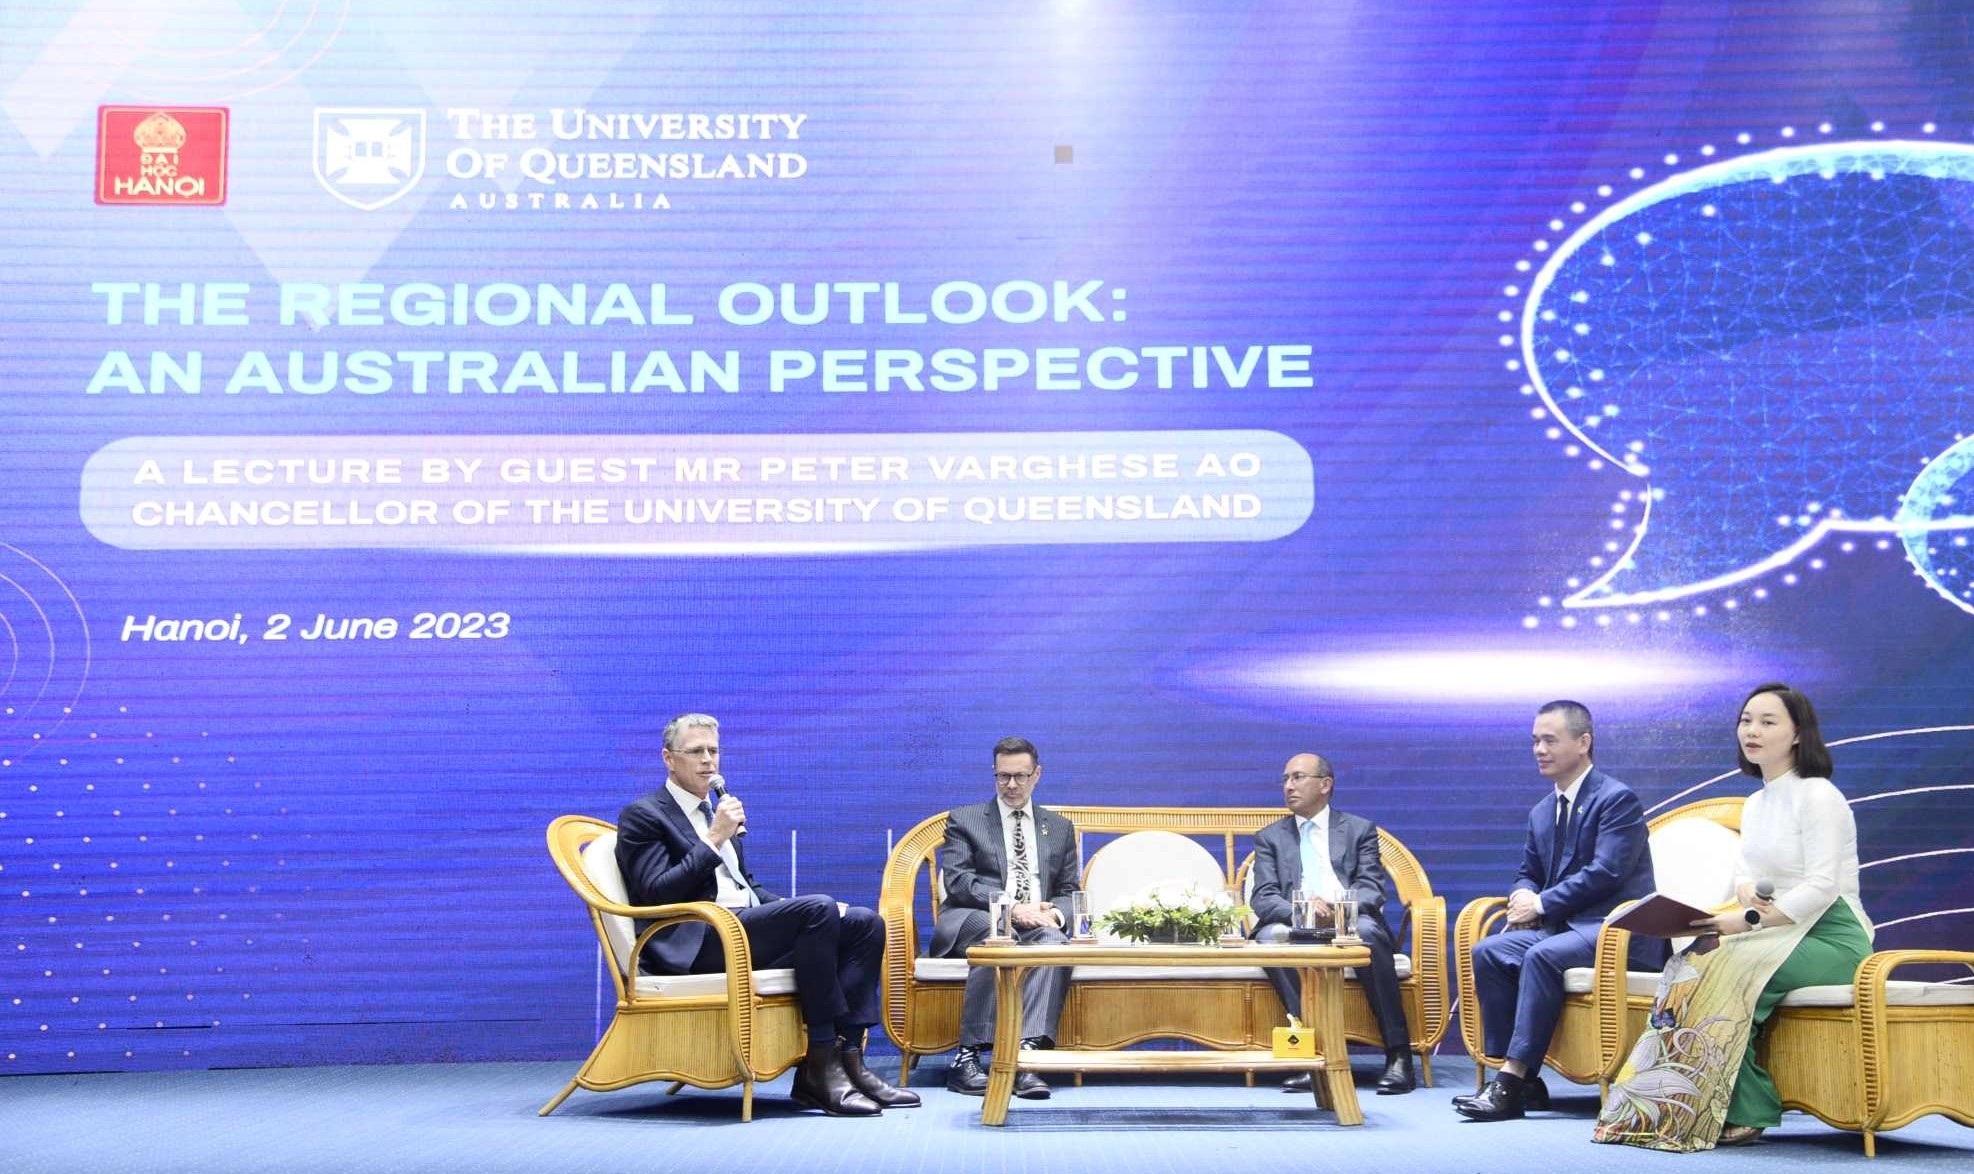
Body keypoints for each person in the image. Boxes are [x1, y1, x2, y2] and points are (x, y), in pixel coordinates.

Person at [1594, 683, 1872, 1151]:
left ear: (1798, 733)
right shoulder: (1760, 801)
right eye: (1746, 720)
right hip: (1778, 931)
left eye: (1768, 722)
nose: (1753, 731)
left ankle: (1749, 1110)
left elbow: (1823, 886)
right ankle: (1667, 1106)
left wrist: (1743, 924)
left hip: (1833, 934)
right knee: (1690, 966)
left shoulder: (1819, 795)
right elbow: (1748, 868)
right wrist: (1743, 890)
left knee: (1731, 969)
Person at [614, 713, 918, 1117]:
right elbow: (654, 892)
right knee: (818, 910)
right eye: (696, 752)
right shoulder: (645, 815)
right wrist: (715, 838)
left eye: (714, 751)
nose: (709, 761)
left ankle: (849, 1059)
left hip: (739, 929)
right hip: (697, 940)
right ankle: (819, 1065)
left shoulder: (715, 810)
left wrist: (820, 913)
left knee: (863, 922)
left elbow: (746, 887)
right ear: (668, 759)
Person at [1455, 700, 1658, 1121]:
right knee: (1490, 951)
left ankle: (1509, 1083)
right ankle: (1527, 1082)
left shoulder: (1616, 799)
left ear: (1583, 743)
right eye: (1535, 741)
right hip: (1564, 930)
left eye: (1550, 740)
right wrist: (1522, 896)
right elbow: (1527, 871)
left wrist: (1541, 903)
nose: (1539, 750)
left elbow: (1607, 872)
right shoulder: (1543, 810)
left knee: (1540, 955)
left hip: (1616, 930)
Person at [1249, 753, 1417, 1095]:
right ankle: (1312, 1053)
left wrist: (1337, 909)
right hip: (1296, 923)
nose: (1288, 786)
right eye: (1285, 779)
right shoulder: (1270, 837)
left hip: (1348, 920)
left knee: (1369, 934)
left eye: (1298, 777)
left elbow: (1371, 889)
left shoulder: (1358, 830)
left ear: (1325, 785)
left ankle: (1398, 1054)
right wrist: (1305, 911)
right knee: (1268, 939)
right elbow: (1264, 898)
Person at [929, 736, 1079, 1099]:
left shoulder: (1058, 828)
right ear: (994, 775)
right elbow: (960, 882)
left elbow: (1070, 889)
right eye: (1003, 777)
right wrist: (1012, 909)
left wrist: (1054, 914)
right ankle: (968, 1057)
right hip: (975, 918)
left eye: (1020, 776)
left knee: (1055, 943)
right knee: (998, 934)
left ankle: (1026, 1057)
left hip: (1036, 925)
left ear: (1037, 775)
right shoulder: (965, 820)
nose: (1011, 785)